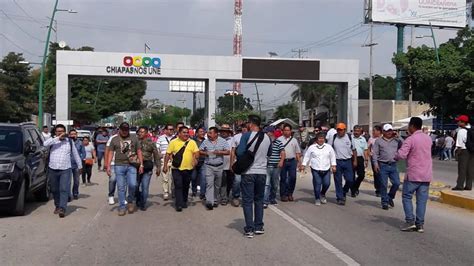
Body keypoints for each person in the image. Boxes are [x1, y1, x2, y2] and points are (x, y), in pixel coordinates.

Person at [395, 117, 433, 233]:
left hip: (413, 174)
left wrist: (395, 156)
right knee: (421, 200)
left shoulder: (410, 139)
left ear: (411, 126)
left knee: (407, 197)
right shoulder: (428, 139)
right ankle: (420, 224)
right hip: (426, 174)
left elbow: (401, 155)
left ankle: (410, 221)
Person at [236, 115, 271, 238]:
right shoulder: (267, 137)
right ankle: (259, 226)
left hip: (249, 172)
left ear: (251, 124)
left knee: (247, 201)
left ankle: (249, 228)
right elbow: (269, 153)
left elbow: (240, 152)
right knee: (259, 200)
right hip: (262, 172)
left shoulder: (246, 136)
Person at [44, 124, 83, 218]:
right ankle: (57, 205)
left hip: (65, 169)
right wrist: (57, 138)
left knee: (64, 188)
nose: (60, 133)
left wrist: (80, 166)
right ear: (55, 132)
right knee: (54, 189)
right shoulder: (52, 140)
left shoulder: (69, 141)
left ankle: (62, 208)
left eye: (62, 131)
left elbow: (75, 154)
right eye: (58, 131)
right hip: (53, 168)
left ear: (65, 132)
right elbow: (44, 144)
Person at [106, 122, 144, 216]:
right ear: (120, 129)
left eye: (126, 130)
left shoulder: (134, 138)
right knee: (121, 187)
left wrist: (141, 164)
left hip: (132, 165)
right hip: (119, 165)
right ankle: (122, 207)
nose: (124, 132)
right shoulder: (114, 139)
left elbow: (139, 151)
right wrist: (108, 165)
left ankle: (130, 200)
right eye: (123, 130)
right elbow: (110, 152)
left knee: (133, 184)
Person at [163, 126, 200, 212]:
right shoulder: (173, 142)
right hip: (176, 168)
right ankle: (178, 204)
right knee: (178, 185)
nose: (186, 134)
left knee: (186, 185)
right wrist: (165, 166)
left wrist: (195, 158)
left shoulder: (192, 142)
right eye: (184, 132)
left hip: (189, 168)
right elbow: (168, 154)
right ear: (179, 133)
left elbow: (197, 152)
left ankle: (184, 200)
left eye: (187, 132)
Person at [372, 124, 402, 210]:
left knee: (396, 183)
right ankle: (384, 202)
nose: (389, 132)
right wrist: (375, 164)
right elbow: (375, 154)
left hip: (393, 165)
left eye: (390, 130)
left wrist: (399, 137)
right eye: (387, 131)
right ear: (383, 132)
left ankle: (390, 197)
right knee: (383, 184)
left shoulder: (396, 141)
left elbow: (405, 145)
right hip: (383, 165)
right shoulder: (378, 141)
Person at [301, 132, 336, 205]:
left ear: (324, 139)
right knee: (317, 184)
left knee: (327, 183)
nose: (321, 140)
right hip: (315, 168)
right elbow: (307, 156)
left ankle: (322, 194)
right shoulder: (312, 147)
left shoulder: (328, 147)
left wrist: (333, 165)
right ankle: (317, 198)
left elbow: (332, 156)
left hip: (326, 168)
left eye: (322, 138)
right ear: (316, 139)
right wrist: (303, 165)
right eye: (319, 138)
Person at [200, 127, 230, 209]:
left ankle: (215, 199)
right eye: (208, 133)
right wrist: (206, 153)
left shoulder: (223, 141)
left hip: (219, 166)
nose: (208, 134)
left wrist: (220, 152)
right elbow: (200, 151)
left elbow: (228, 152)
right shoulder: (205, 142)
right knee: (209, 184)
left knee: (217, 185)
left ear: (216, 134)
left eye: (210, 133)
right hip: (209, 166)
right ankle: (209, 202)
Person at [329, 122, 357, 205]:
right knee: (338, 181)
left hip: (348, 161)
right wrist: (331, 162)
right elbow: (329, 150)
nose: (339, 131)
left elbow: (354, 150)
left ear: (345, 130)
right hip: (337, 161)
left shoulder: (349, 137)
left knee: (350, 180)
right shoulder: (334, 137)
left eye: (341, 130)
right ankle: (340, 197)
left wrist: (355, 160)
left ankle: (344, 191)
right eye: (338, 130)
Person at [136, 126, 161, 211]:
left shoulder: (151, 143)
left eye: (142, 132)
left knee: (145, 186)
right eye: (139, 132)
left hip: (147, 166)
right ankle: (138, 199)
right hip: (136, 166)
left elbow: (156, 155)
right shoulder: (135, 142)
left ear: (146, 133)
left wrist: (158, 167)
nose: (140, 133)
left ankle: (143, 203)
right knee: (135, 185)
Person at [278, 123, 302, 202]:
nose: (287, 132)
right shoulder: (279, 140)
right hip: (283, 161)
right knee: (283, 178)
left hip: (292, 161)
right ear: (282, 131)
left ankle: (290, 193)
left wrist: (299, 163)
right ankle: (283, 195)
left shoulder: (294, 140)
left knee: (293, 177)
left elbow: (297, 152)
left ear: (291, 131)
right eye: (285, 130)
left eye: (288, 130)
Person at [263, 126, 285, 208]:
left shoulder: (278, 142)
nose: (267, 134)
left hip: (276, 166)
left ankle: (272, 198)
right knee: (266, 184)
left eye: (268, 132)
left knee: (275, 184)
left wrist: (281, 161)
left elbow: (283, 152)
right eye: (266, 133)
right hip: (267, 166)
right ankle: (265, 200)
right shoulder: (264, 142)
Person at [229, 123, 249, 207]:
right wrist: (231, 163)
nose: (244, 129)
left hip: (249, 163)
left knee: (247, 182)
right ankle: (236, 196)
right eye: (243, 127)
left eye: (246, 127)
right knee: (237, 180)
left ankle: (246, 198)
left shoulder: (252, 137)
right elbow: (233, 151)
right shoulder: (236, 137)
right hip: (238, 162)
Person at [452, 115, 473, 191]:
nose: (457, 122)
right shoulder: (471, 129)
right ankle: (468, 185)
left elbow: (459, 145)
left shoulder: (461, 131)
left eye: (459, 121)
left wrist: (457, 154)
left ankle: (459, 186)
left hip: (464, 151)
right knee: (470, 169)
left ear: (463, 122)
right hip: (471, 151)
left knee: (462, 169)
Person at [157, 124, 174, 200]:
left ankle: (174, 192)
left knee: (174, 177)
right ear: (165, 130)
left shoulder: (176, 138)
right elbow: (157, 148)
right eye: (169, 129)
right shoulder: (160, 138)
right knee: (165, 177)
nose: (171, 131)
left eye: (172, 129)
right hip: (164, 159)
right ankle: (166, 192)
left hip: (174, 159)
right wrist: (159, 154)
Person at [351, 125, 369, 197]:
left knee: (361, 175)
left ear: (360, 132)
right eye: (355, 131)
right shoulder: (350, 138)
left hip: (360, 158)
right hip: (351, 158)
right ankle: (353, 191)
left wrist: (366, 160)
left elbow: (365, 150)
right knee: (351, 176)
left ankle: (355, 187)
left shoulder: (363, 139)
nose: (356, 132)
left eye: (358, 131)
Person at [219, 124, 234, 204]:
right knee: (223, 182)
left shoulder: (233, 140)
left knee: (230, 182)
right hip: (221, 164)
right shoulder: (217, 139)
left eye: (226, 131)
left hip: (231, 164)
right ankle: (224, 198)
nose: (224, 133)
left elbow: (234, 151)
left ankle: (227, 195)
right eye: (223, 131)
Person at [69, 129, 86, 200]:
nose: (73, 135)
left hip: (76, 165)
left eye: (74, 134)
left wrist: (80, 160)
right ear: (69, 135)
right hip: (68, 165)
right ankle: (68, 195)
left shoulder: (80, 143)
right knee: (67, 181)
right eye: (71, 134)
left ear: (77, 135)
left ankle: (75, 193)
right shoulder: (67, 142)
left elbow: (84, 153)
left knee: (76, 181)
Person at [368, 125, 383, 197]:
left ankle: (382, 188)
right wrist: (369, 155)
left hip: (383, 158)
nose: (373, 132)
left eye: (374, 130)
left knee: (382, 174)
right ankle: (378, 189)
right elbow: (368, 148)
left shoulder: (383, 138)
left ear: (379, 131)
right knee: (376, 173)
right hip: (374, 158)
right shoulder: (371, 139)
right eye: (373, 130)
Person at [192, 127, 206, 199]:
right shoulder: (192, 141)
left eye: (203, 131)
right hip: (194, 162)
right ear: (197, 133)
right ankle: (194, 191)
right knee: (193, 177)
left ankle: (202, 193)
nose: (202, 133)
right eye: (200, 132)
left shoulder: (206, 141)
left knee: (203, 177)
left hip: (203, 162)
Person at [105, 133, 118, 205]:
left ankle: (122, 197)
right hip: (113, 162)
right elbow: (107, 150)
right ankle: (111, 195)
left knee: (123, 181)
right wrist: (106, 164)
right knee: (113, 179)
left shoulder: (129, 137)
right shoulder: (112, 138)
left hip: (124, 163)